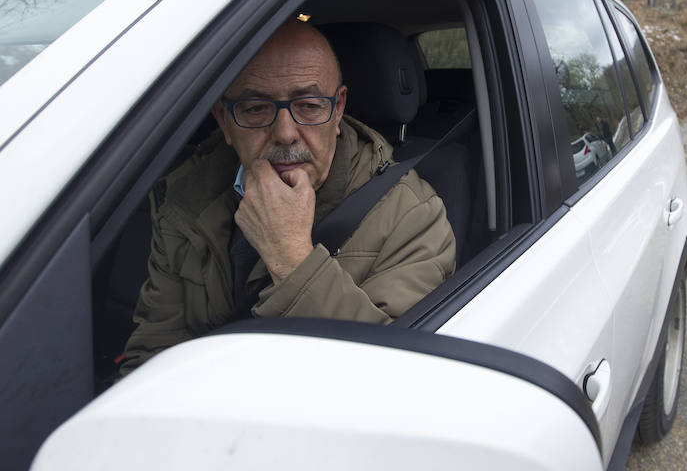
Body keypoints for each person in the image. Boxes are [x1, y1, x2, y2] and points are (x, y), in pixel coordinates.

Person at [120, 21, 455, 375]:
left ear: (338, 109)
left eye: (308, 105)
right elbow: (154, 352)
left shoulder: (412, 215)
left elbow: (391, 380)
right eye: (255, 109)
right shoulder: (187, 198)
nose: (284, 133)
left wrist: (291, 257)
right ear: (224, 121)